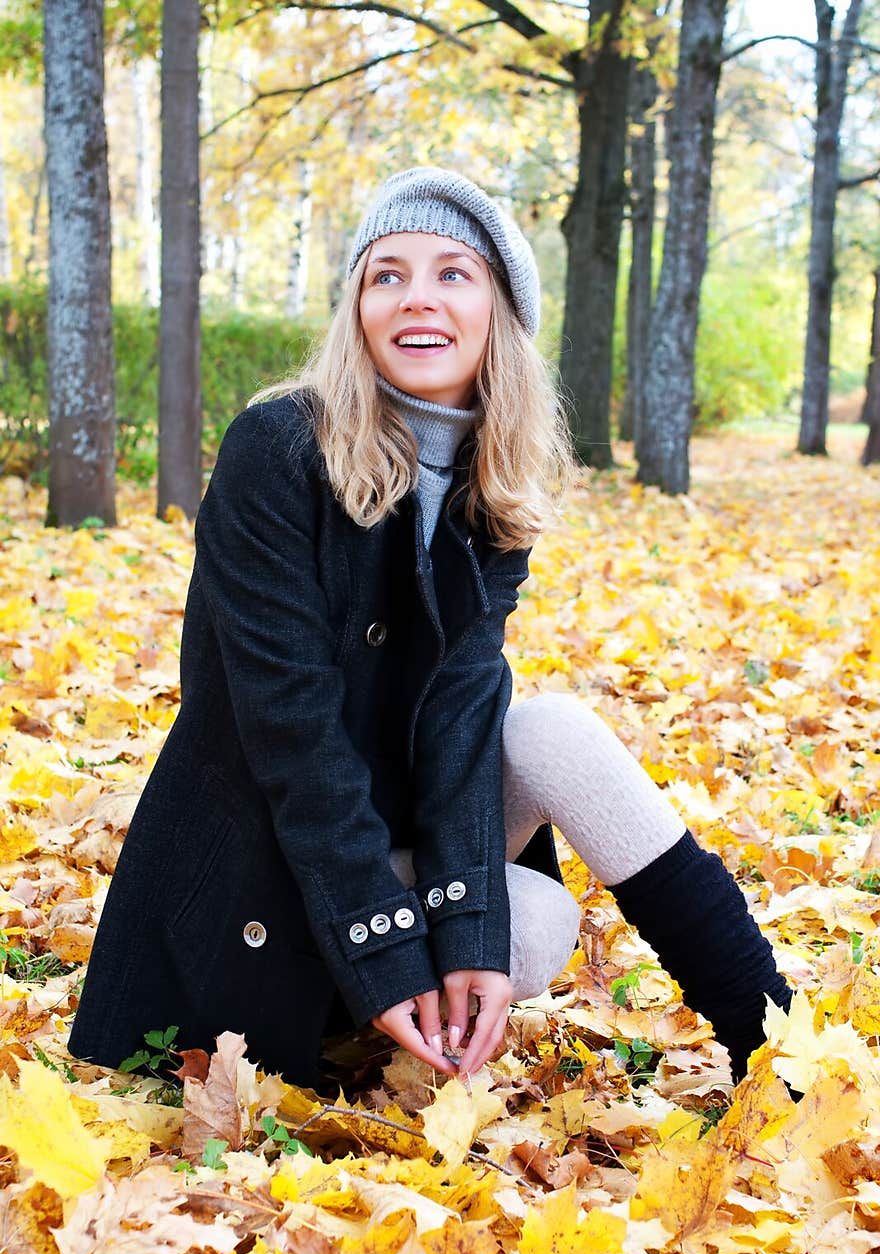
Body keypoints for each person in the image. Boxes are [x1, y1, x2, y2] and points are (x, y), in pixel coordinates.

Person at [67, 166, 792, 1089]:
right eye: (388, 274)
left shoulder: (489, 487)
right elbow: (291, 738)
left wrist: (468, 935)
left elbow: (458, 724)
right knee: (520, 916)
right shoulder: (277, 449)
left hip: (388, 831)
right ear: (358, 308)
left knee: (540, 835)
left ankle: (777, 1046)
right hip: (265, 865)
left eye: (454, 273)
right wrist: (385, 945)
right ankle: (359, 1005)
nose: (419, 299)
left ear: (497, 311)